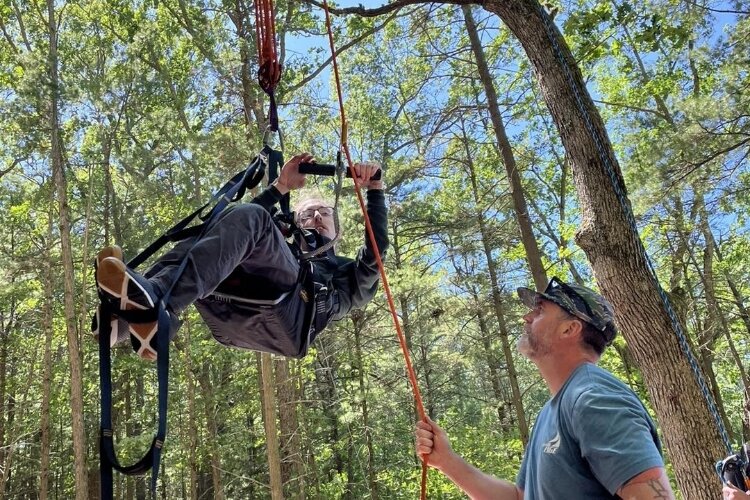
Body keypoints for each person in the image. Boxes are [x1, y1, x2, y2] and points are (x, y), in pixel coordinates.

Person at [93, 153, 387, 360]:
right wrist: (281, 186)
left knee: (254, 218)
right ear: (298, 221)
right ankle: (126, 319)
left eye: (324, 212)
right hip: (241, 305)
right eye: (308, 214)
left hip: (294, 316)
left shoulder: (345, 273)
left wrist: (374, 191)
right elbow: (234, 224)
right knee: (210, 231)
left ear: (338, 226)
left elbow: (375, 257)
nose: (316, 217)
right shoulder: (285, 243)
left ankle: (157, 302)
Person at [415, 277, 675, 499]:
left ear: (570, 329)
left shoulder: (594, 397)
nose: (526, 317)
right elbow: (520, 496)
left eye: (539, 311)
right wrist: (447, 462)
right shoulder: (553, 410)